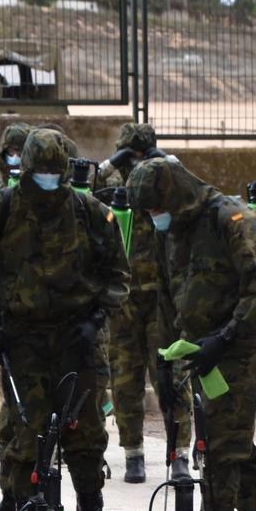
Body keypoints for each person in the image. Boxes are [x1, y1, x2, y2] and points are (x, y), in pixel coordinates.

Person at [0, 128, 129, 511]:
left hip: (77, 339)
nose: (51, 179)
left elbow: (118, 275)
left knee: (86, 436)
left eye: (58, 172)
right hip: (23, 340)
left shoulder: (91, 212)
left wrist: (96, 319)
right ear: (27, 170)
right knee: (27, 434)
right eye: (43, 172)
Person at [126, 152, 256, 511]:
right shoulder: (170, 230)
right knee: (228, 435)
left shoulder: (234, 220)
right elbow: (164, 295)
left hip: (238, 347)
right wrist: (162, 357)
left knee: (221, 446)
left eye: (158, 207)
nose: (155, 215)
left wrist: (224, 338)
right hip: (198, 350)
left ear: (176, 194)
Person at [101, 123, 193, 483]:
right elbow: (81, 189)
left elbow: (192, 190)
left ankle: (180, 453)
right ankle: (133, 453)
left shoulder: (166, 181)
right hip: (123, 301)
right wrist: (113, 163)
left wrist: (164, 162)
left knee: (172, 377)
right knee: (125, 381)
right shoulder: (110, 188)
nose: (136, 164)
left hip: (161, 299)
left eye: (142, 156)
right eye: (131, 156)